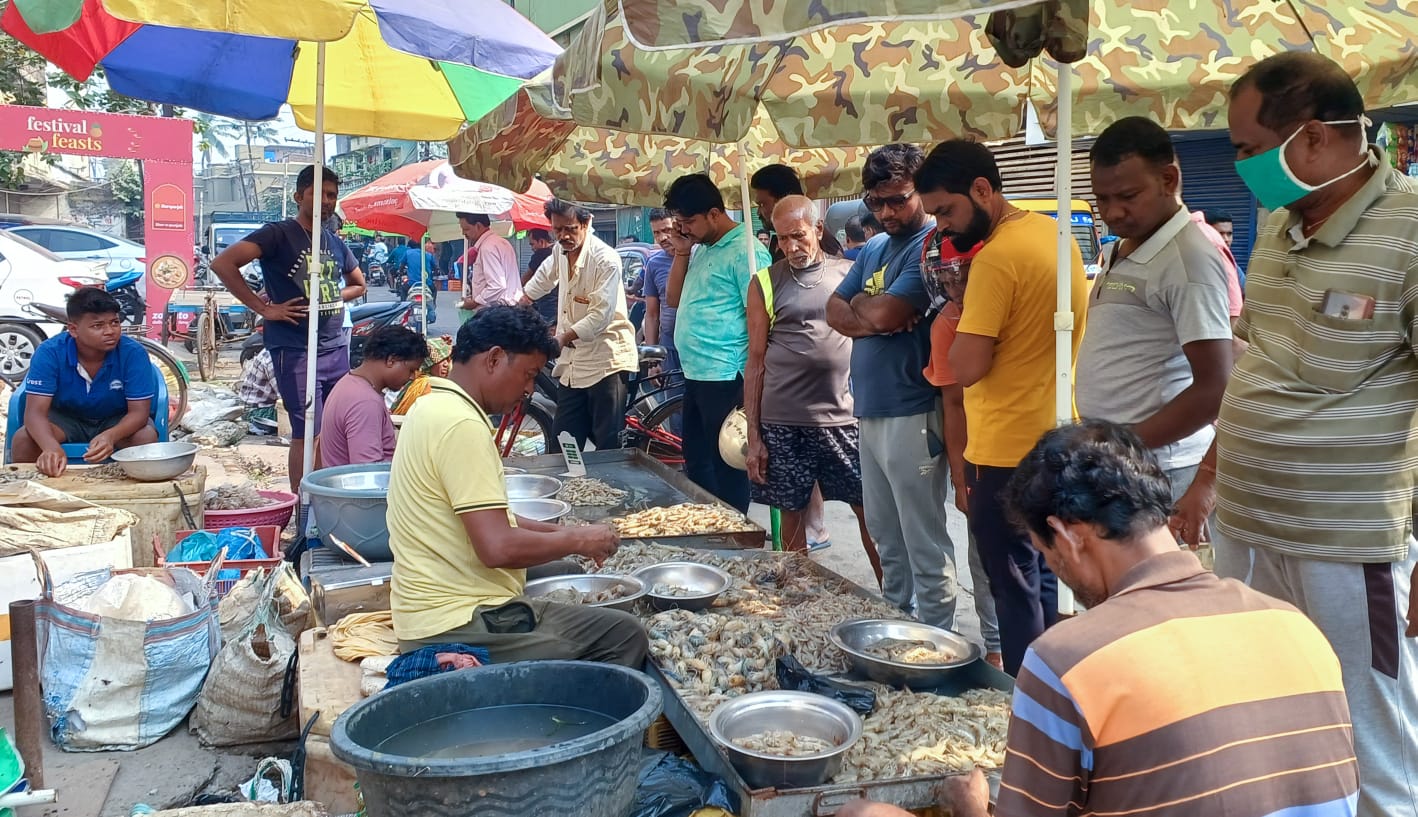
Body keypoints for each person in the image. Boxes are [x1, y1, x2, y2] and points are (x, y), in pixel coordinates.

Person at [838, 420, 1359, 817]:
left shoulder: (1066, 660)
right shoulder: (1294, 625)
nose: (1053, 569)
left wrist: (971, 808)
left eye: (1047, 553)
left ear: (1069, 536)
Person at [1173, 52, 1418, 817]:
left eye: (1248, 148)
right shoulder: (1280, 226)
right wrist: (1209, 477)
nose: (1240, 166)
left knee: (1370, 742)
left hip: (1345, 541)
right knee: (1274, 721)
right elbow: (1257, 363)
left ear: (1312, 137)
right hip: (1250, 526)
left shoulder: (1409, 231)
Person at [387, 306, 647, 666]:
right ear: (494, 359)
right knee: (625, 633)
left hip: (426, 608)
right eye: (529, 374)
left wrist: (570, 535)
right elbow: (497, 547)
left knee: (567, 571)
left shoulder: (432, 405)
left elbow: (493, 518)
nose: (528, 389)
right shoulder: (461, 425)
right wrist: (577, 541)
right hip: (452, 624)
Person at [915, 139, 1089, 675]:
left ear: (982, 189)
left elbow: (966, 366)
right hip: (1057, 437)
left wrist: (958, 314)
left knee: (1013, 586)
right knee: (1046, 578)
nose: (943, 228)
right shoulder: (1057, 236)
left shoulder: (995, 259)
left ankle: (1022, 695)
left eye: (946, 210)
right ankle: (1056, 688)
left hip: (1003, 450)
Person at [826, 144, 957, 631]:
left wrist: (867, 309)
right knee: (884, 533)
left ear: (920, 191)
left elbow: (880, 313)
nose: (885, 213)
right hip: (869, 408)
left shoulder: (932, 247)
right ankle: (895, 628)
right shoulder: (876, 247)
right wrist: (873, 316)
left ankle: (938, 640)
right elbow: (833, 310)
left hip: (913, 408)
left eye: (898, 200)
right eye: (876, 203)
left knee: (923, 539)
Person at [1079, 117, 1234, 506]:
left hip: (1160, 466)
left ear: (1168, 180)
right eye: (1102, 198)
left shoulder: (1188, 260)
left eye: (1127, 196)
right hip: (1119, 457)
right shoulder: (1123, 246)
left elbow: (1215, 386)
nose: (1112, 212)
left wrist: (1127, 441)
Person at [745, 196, 882, 584]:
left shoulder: (848, 274)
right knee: (791, 515)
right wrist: (754, 437)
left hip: (844, 418)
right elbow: (755, 362)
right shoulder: (765, 282)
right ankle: (799, 598)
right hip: (783, 421)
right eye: (782, 238)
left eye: (798, 236)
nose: (791, 247)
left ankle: (894, 599)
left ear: (818, 229)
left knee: (870, 512)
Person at [211, 164, 366, 490]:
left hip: (335, 346)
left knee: (332, 429)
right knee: (306, 431)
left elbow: (358, 284)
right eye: (318, 194)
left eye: (332, 195)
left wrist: (330, 295)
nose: (326, 202)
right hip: (295, 350)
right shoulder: (278, 234)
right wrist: (264, 308)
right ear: (298, 196)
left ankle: (326, 496)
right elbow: (223, 264)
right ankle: (302, 505)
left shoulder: (333, 241)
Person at [664, 173, 772, 513]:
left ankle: (733, 529)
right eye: (680, 223)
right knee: (697, 460)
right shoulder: (700, 248)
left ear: (713, 213)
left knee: (726, 465)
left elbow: (760, 320)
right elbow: (672, 298)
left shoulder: (747, 252)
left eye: (689, 222)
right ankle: (709, 522)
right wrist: (682, 252)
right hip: (695, 373)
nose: (685, 230)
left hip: (726, 374)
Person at [921, 235, 1002, 669]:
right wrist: (960, 475)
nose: (955, 290)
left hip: (1033, 446)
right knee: (984, 553)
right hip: (981, 453)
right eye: (947, 281)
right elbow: (953, 404)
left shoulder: (1019, 306)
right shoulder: (947, 325)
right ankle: (996, 646)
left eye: (964, 278)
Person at [521, 199, 638, 451]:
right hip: (573, 365)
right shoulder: (559, 251)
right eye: (557, 230)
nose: (563, 236)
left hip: (606, 360)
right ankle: (569, 477)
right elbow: (543, 278)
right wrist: (520, 302)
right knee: (565, 440)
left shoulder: (605, 259)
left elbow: (600, 316)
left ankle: (606, 478)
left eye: (570, 229)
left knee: (607, 445)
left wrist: (562, 338)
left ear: (586, 223)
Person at [12, 287, 158, 477]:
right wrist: (50, 447)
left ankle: (137, 493)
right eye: (98, 326)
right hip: (65, 420)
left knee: (145, 436)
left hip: (116, 419)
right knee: (24, 439)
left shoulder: (133, 353)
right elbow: (34, 412)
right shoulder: (50, 352)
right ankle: (28, 491)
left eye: (114, 322)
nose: (110, 331)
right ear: (73, 329)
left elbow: (139, 413)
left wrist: (110, 435)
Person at [318, 325, 426, 468]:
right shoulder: (366, 402)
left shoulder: (348, 382)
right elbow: (367, 471)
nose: (413, 377)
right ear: (391, 360)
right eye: (411, 370)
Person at [749, 163, 844, 259]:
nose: (758, 212)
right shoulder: (777, 244)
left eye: (762, 204)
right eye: (783, 238)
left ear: (782, 201)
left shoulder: (823, 246)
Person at [458, 213, 523, 326]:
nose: (464, 233)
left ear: (478, 226)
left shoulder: (487, 248)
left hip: (499, 313)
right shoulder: (502, 242)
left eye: (466, 229)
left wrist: (475, 302)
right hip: (510, 309)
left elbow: (497, 286)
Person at [639, 209, 680, 375]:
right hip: (669, 347)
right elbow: (651, 315)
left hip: (700, 346)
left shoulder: (699, 256)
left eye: (667, 230)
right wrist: (652, 360)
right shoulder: (654, 264)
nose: (662, 238)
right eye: (656, 233)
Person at [391, 334, 453, 415]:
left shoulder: (438, 382)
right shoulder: (423, 384)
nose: (446, 364)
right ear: (429, 363)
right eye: (441, 360)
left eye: (447, 360)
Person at [237, 346, 280, 435]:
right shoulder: (273, 357)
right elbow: (285, 396)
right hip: (255, 412)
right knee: (300, 417)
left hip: (261, 406)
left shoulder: (274, 352)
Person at [400, 238, 439, 326]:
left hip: (411, 284)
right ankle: (432, 306)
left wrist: (400, 272)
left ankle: (402, 309)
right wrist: (435, 273)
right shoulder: (428, 255)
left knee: (403, 290)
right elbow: (436, 268)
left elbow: (401, 266)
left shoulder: (408, 253)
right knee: (434, 290)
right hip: (427, 284)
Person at [522, 228, 557, 325]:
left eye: (532, 244)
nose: (531, 248)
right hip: (559, 301)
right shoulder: (557, 252)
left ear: (541, 241)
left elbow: (526, 277)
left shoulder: (540, 254)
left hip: (545, 302)